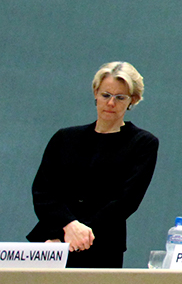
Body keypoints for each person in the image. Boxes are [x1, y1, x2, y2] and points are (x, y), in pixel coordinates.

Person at [27, 61, 160, 268]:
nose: (110, 103)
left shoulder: (142, 143)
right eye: (106, 95)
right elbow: (43, 191)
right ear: (96, 93)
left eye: (120, 97)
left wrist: (82, 231)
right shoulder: (65, 138)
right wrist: (66, 227)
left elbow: (126, 201)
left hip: (102, 246)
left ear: (132, 100)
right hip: (51, 241)